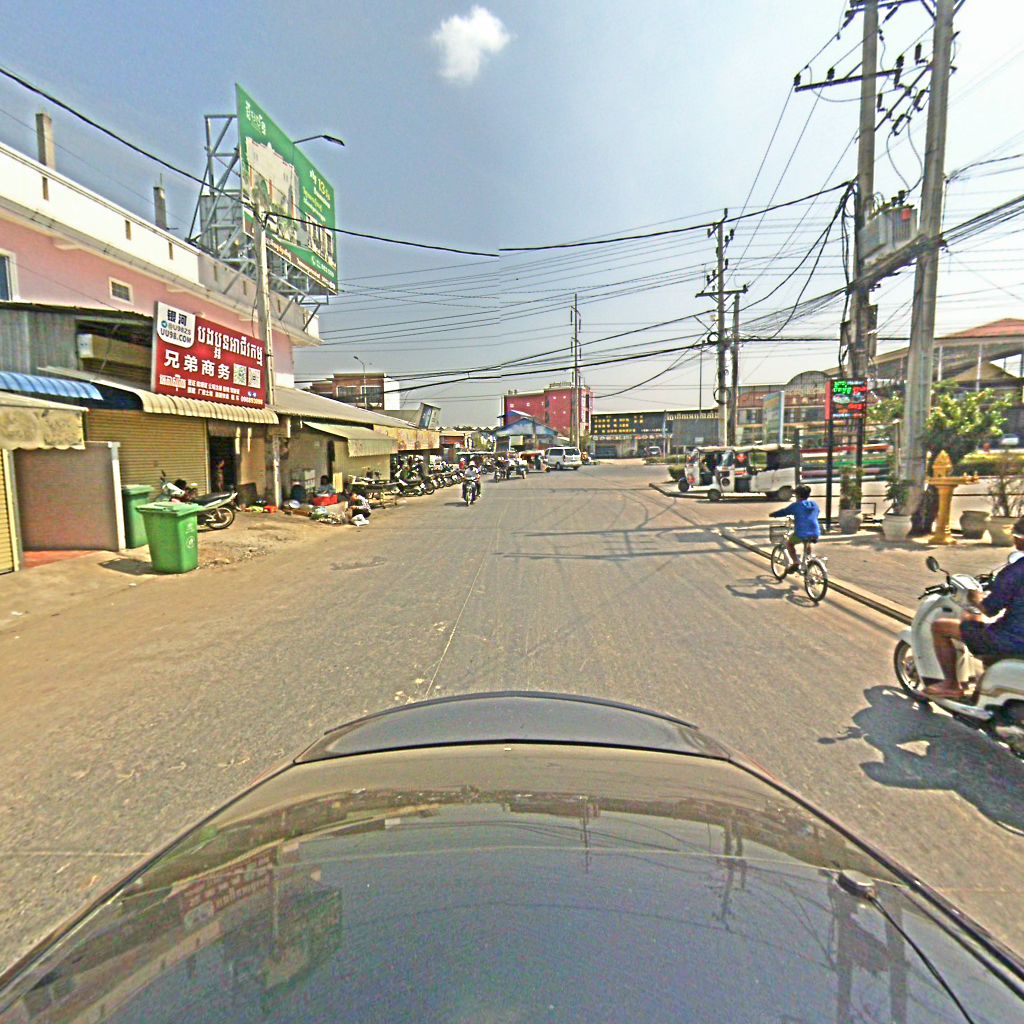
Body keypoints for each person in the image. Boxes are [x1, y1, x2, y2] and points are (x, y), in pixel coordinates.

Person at [925, 516, 1024, 698]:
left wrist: (975, 597)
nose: (1014, 539)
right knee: (975, 622)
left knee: (940, 627)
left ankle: (951, 685)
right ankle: (985, 675)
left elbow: (990, 609)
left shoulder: (1015, 571)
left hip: (1011, 641)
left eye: (1016, 535)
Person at [768, 484, 821, 575]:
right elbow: (815, 514)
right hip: (815, 532)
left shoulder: (796, 505)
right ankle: (808, 559)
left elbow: (784, 512)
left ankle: (796, 562)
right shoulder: (814, 504)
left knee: (790, 543)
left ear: (797, 495)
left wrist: (773, 514)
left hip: (801, 533)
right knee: (807, 541)